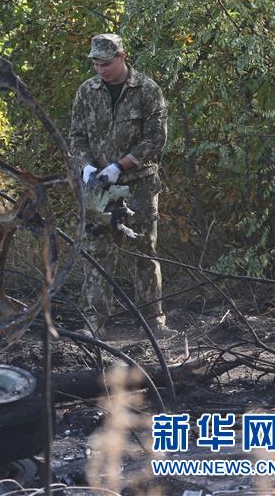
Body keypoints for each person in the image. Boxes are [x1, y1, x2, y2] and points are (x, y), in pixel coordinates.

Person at [69, 33, 172, 337]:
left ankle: (153, 322)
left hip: (138, 184)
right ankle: (94, 322)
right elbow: (76, 137)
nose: (101, 69)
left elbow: (155, 139)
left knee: (144, 251)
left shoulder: (147, 90)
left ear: (122, 57)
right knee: (97, 252)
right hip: (100, 187)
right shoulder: (87, 91)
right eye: (96, 64)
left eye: (106, 63)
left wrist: (121, 165)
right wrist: (86, 165)